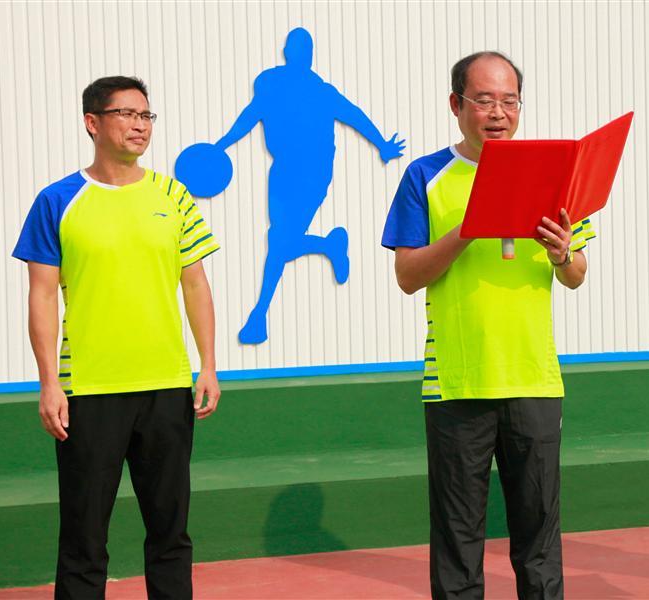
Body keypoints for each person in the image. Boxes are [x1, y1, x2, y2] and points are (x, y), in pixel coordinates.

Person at [381, 51, 595, 600]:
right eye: (483, 100)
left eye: (509, 100)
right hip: (457, 383)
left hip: (534, 381)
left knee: (539, 538)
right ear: (456, 104)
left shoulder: (554, 172)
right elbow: (407, 276)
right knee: (458, 540)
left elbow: (575, 275)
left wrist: (562, 253)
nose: (498, 113)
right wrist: (468, 229)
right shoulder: (424, 176)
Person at [12, 76, 221, 599]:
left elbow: (195, 284)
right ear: (93, 123)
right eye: (126, 114)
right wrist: (49, 383)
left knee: (171, 533)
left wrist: (209, 365)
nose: (139, 125)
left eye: (146, 116)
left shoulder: (173, 196)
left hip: (166, 388)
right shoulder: (57, 201)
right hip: (87, 392)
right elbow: (42, 296)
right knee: (83, 540)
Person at [215, 27, 406, 344]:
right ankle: (328, 246)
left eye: (304, 50)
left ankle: (258, 316)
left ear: (307, 56)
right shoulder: (271, 85)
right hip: (283, 170)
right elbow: (249, 116)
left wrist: (382, 144)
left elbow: (354, 116)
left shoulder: (320, 91)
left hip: (313, 173)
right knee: (280, 240)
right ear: (289, 53)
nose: (300, 54)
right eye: (297, 48)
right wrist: (219, 147)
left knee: (280, 241)